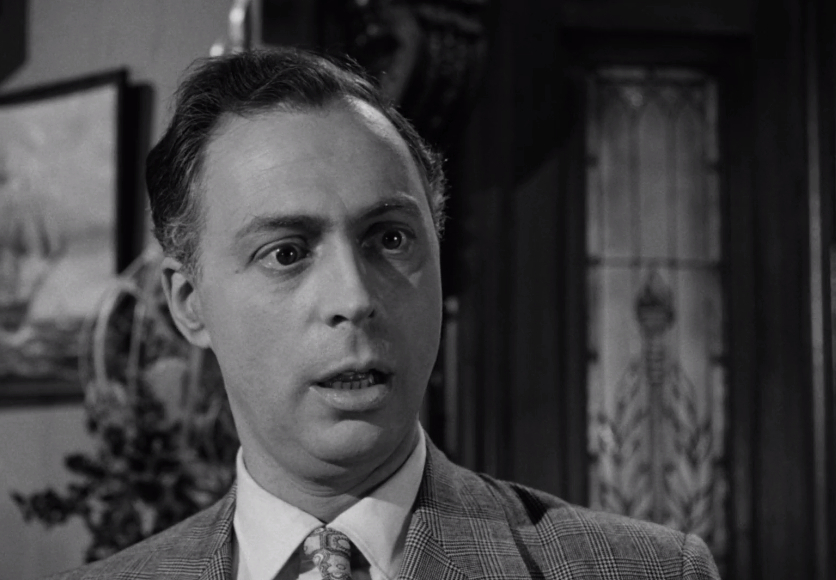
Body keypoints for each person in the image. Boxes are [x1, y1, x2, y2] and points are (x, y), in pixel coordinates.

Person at [50, 47, 720, 580]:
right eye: (287, 253)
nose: (355, 299)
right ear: (190, 304)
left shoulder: (652, 570)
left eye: (390, 239)